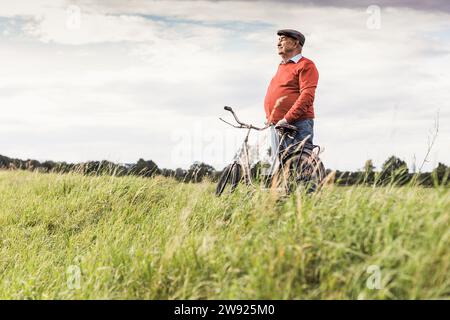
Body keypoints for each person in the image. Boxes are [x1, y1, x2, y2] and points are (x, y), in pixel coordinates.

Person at [264, 29, 319, 158]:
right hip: (278, 126)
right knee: (281, 168)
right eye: (278, 40)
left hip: (297, 123)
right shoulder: (282, 66)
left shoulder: (306, 65)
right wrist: (270, 119)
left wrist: (287, 118)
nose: (278, 43)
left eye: (282, 39)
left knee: (300, 166)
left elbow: (307, 96)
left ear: (295, 43)